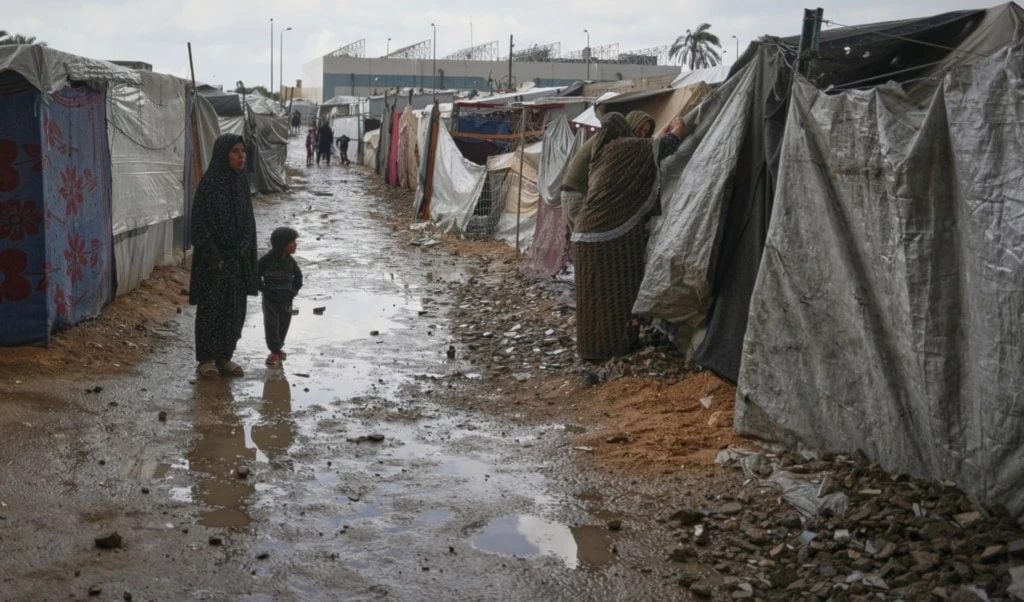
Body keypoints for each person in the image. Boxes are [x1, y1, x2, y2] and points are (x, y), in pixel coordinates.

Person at [571, 112, 665, 361]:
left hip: (584, 234)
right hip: (609, 238)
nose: (643, 134)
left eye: (647, 130)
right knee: (618, 292)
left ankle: (590, 348)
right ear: (626, 128)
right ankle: (617, 345)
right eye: (641, 129)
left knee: (591, 296)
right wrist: (681, 124)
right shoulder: (624, 148)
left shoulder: (601, 153)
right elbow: (667, 145)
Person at [188, 133, 258, 379]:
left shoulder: (241, 183)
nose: (241, 156)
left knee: (234, 310)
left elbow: (248, 222)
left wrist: (245, 250)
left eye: (243, 151)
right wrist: (212, 254)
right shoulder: (210, 184)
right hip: (214, 262)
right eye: (235, 151)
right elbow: (198, 223)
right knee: (211, 310)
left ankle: (224, 357)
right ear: (223, 155)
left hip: (236, 261)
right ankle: (206, 359)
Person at [258, 227, 302, 366]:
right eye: (292, 242)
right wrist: (264, 289)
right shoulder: (267, 260)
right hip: (270, 300)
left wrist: (295, 289)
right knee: (271, 325)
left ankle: (278, 348)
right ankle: (273, 350)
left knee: (284, 324)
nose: (295, 245)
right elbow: (255, 275)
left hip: (287, 300)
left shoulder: (290, 261)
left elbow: (298, 276)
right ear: (283, 244)